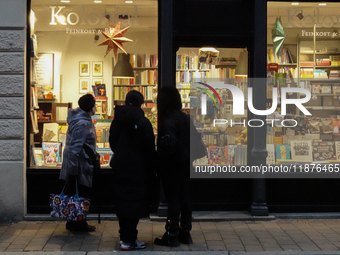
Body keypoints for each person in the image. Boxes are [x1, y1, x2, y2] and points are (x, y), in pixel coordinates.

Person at [109, 90, 155, 251]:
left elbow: (112, 142)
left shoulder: (117, 120)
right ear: (140, 103)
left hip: (120, 167)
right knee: (135, 203)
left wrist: (121, 154)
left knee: (122, 203)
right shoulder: (143, 122)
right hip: (139, 168)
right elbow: (149, 147)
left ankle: (125, 238)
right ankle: (130, 238)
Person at [154, 86, 193, 247]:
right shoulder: (185, 118)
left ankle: (172, 234)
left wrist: (159, 162)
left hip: (172, 166)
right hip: (185, 164)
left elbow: (168, 146)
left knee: (173, 199)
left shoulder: (168, 120)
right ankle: (185, 232)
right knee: (185, 198)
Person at [60, 93, 99, 232]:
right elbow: (75, 147)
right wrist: (73, 170)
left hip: (80, 163)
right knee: (80, 194)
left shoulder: (81, 119)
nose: (96, 108)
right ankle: (78, 223)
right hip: (80, 165)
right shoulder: (83, 123)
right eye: (94, 105)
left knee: (77, 194)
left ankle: (75, 221)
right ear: (90, 107)